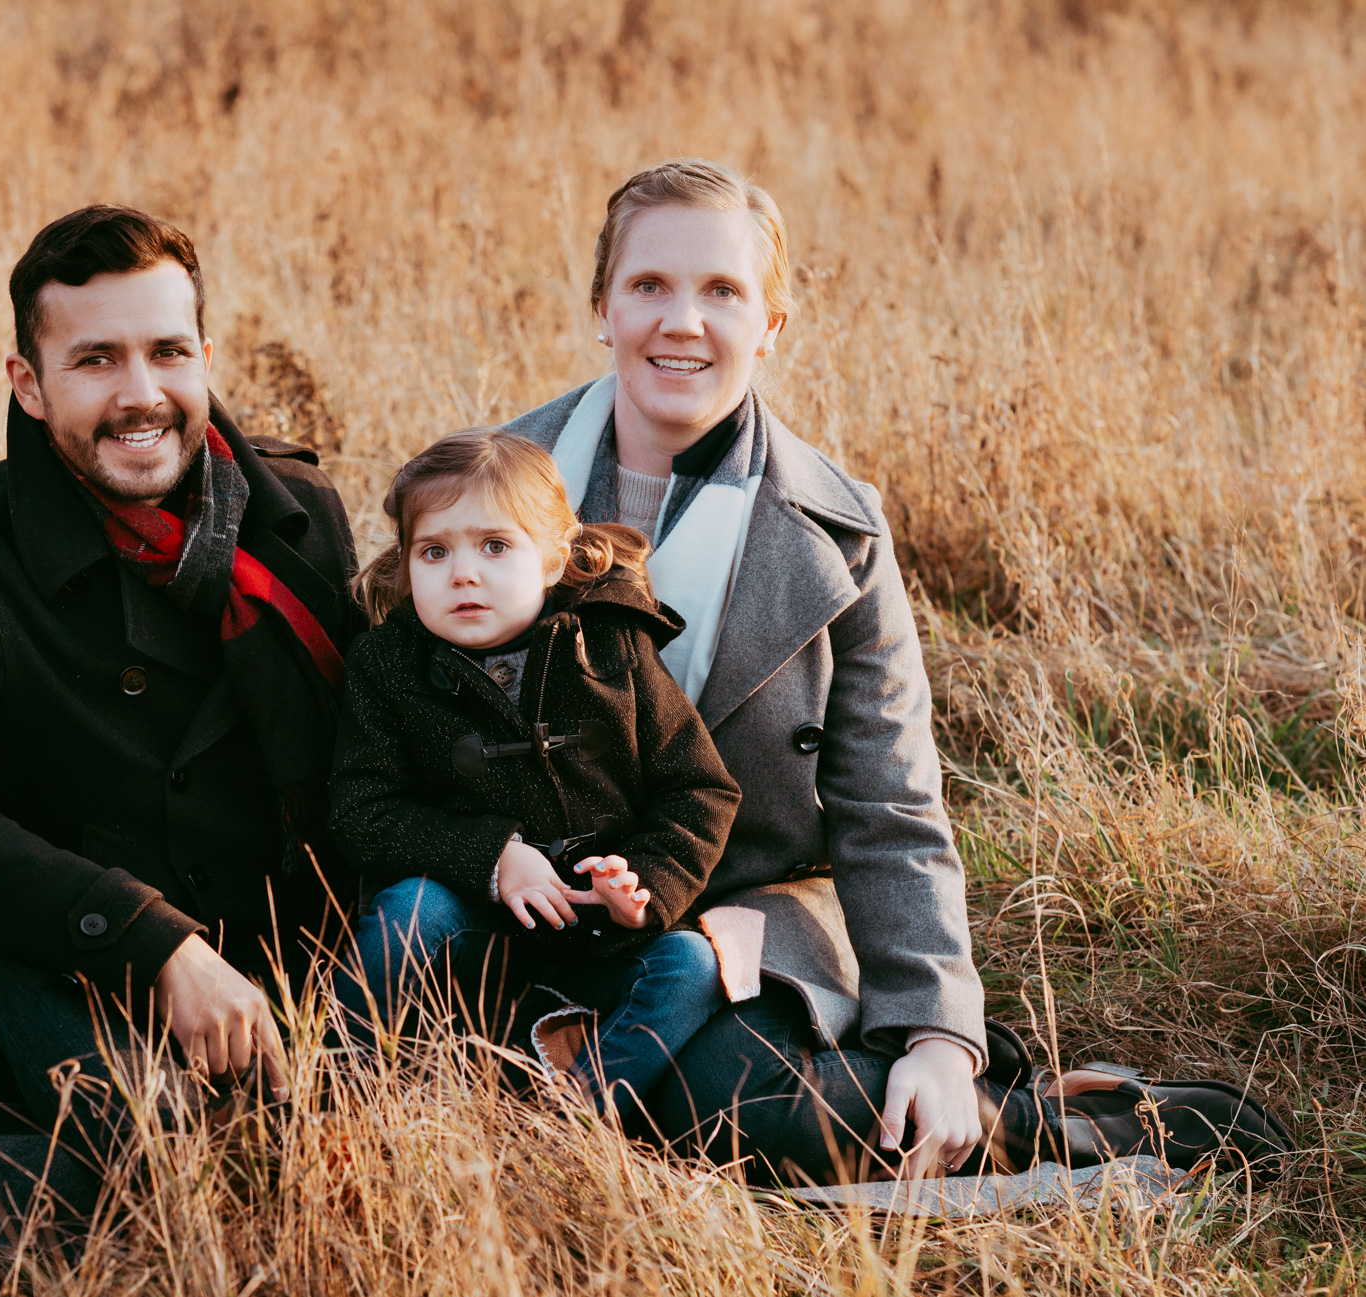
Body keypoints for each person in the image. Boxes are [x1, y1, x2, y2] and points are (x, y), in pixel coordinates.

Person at [481, 158, 1285, 1182]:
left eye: (722, 291)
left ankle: (1056, 1120)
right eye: (649, 285)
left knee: (736, 1117)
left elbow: (889, 799)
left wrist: (939, 1036)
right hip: (524, 911)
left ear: (772, 325)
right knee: (531, 1085)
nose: (682, 320)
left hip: (741, 915)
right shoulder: (493, 483)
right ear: (602, 306)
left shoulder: (837, 534)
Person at [0, 205, 364, 1214]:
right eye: (95, 361)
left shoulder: (299, 519)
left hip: (287, 966)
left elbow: (368, 755)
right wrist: (149, 940)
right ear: (29, 386)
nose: (141, 396)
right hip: (67, 964)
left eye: (167, 352)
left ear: (205, 356)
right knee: (185, 1179)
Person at [328, 429, 742, 1123]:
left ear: (553, 557)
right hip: (472, 941)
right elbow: (360, 810)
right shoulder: (387, 666)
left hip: (600, 936)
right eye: (435, 551)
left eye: (495, 546)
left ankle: (567, 1119)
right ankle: (337, 1088)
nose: (463, 573)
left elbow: (699, 788)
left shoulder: (613, 643)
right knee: (409, 912)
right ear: (406, 564)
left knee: (693, 968)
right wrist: (491, 856)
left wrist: (643, 884)